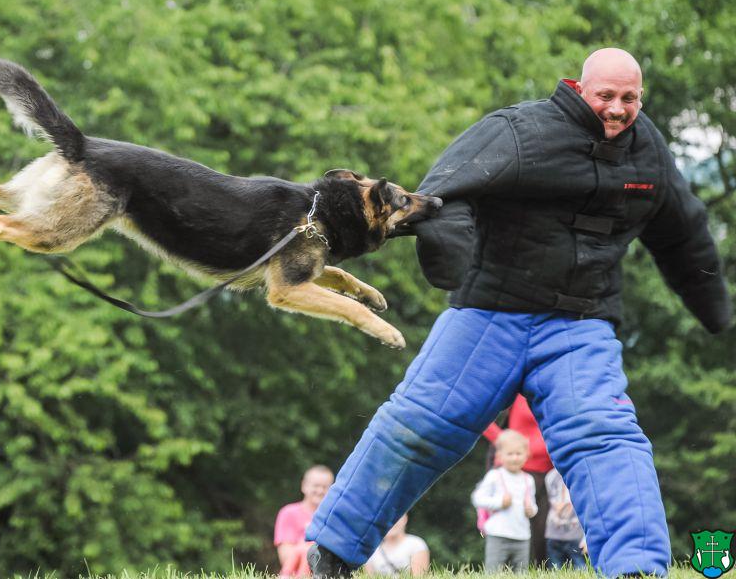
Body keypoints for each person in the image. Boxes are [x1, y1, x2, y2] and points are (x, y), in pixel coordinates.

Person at [305, 48, 732, 579]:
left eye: (630, 98)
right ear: (580, 88)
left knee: (606, 436)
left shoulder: (648, 153)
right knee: (418, 425)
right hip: (488, 314)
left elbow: (683, 232)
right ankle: (334, 550)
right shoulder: (519, 131)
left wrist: (715, 311)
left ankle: (636, 569)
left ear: (641, 98)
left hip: (580, 324)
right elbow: (442, 194)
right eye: (606, 96)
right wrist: (451, 260)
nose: (618, 108)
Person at [482, 394, 552, 566]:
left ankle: (541, 570)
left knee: (544, 532)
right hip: (515, 471)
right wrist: (506, 444)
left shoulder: (556, 389)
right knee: (506, 527)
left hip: (551, 473)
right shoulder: (516, 392)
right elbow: (480, 416)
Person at [471, 430, 537, 572]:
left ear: (527, 455)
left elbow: (533, 505)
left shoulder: (528, 480)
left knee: (521, 572)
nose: (514, 458)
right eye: (510, 454)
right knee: (493, 571)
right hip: (498, 534)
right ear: (500, 456)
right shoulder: (494, 475)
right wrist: (500, 502)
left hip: (522, 535)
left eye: (518, 453)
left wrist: (531, 510)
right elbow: (477, 498)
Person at [275, 465, 334, 577]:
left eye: (325, 487)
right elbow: (285, 556)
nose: (320, 491)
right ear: (304, 486)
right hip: (297, 570)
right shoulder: (288, 513)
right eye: (316, 486)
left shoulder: (335, 517)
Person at [544, 468, 586, 568]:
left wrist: (585, 538)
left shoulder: (581, 472)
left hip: (576, 535)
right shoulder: (551, 476)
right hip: (554, 533)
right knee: (554, 569)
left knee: (580, 568)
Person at [364, 514, 430, 577]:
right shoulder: (372, 549)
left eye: (395, 518)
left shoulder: (416, 544)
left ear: (405, 519)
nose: (391, 523)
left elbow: (419, 576)